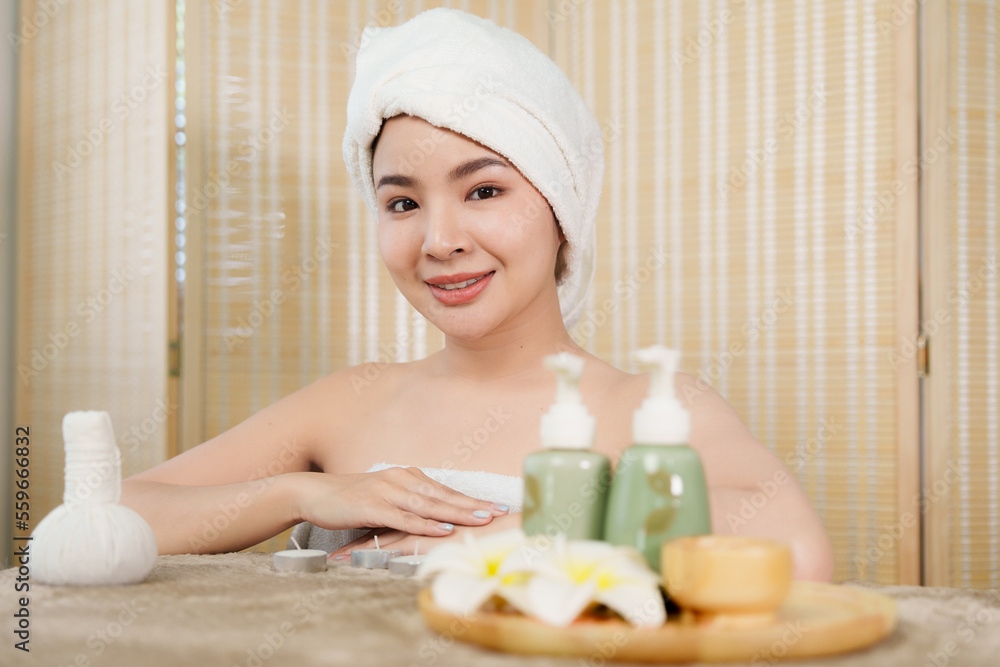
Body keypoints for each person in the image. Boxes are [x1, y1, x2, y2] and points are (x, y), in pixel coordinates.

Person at [121, 8, 833, 581]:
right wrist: (300, 493)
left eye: (484, 190)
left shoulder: (647, 410)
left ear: (562, 209)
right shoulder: (348, 403)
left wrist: (548, 531)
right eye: (402, 204)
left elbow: (798, 547)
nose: (440, 239)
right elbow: (109, 515)